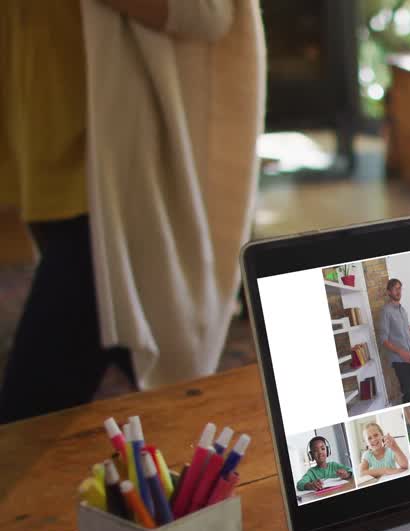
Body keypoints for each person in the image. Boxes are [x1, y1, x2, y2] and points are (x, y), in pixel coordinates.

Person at [0, 0, 264, 423]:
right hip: (46, 163)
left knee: (28, 413)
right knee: (142, 376)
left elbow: (209, 12)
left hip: (113, 186)